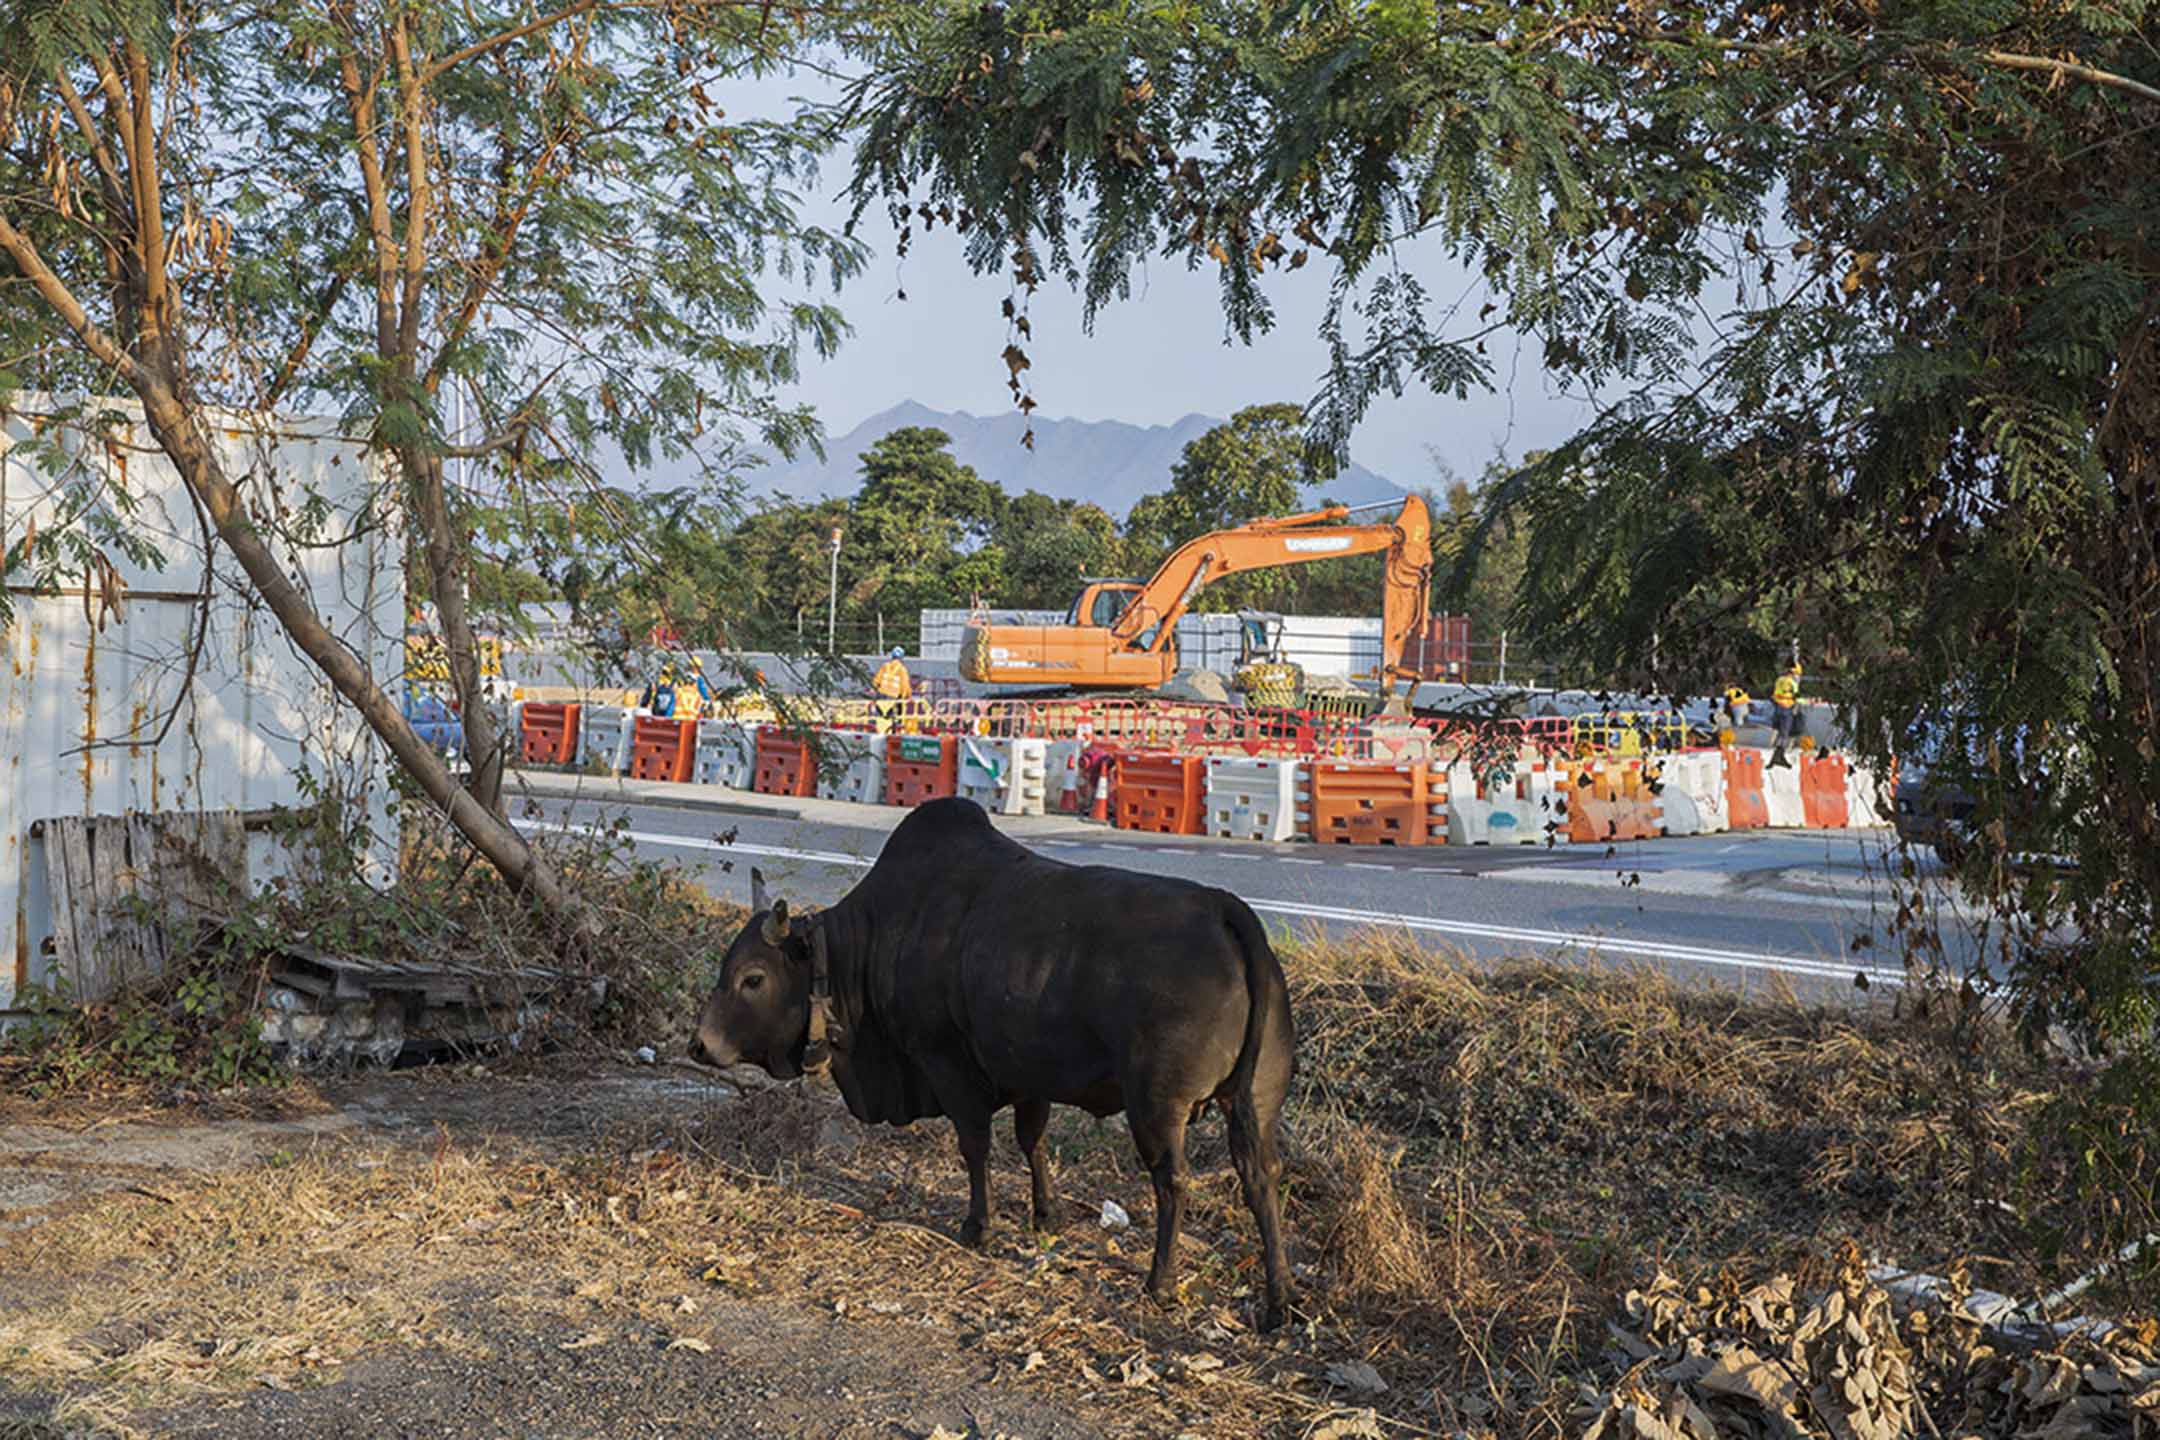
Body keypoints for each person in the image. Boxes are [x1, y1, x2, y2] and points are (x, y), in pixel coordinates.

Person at [1768, 661, 1804, 768]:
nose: (1798, 677)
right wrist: (1808, 701)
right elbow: (1797, 697)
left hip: (1778, 709)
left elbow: (1775, 695)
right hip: (1786, 708)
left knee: (1780, 732)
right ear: (1794, 673)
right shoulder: (1792, 682)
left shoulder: (1779, 680)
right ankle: (1778, 757)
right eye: (1797, 674)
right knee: (1785, 734)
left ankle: (1778, 756)